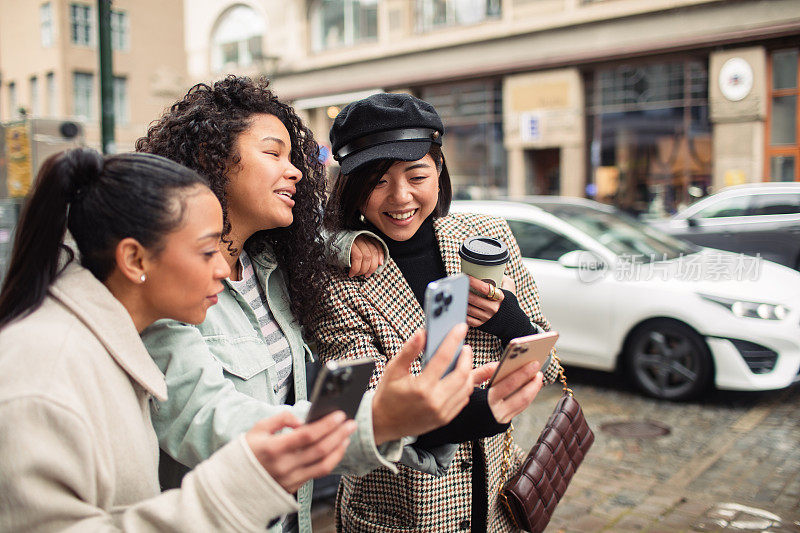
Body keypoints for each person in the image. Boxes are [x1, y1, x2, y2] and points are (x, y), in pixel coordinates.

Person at [135, 76, 491, 532]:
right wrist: (377, 419)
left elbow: (316, 246)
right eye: (273, 153)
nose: (296, 171)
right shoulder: (171, 289)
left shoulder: (275, 269)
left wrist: (347, 241)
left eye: (293, 157)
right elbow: (208, 421)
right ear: (211, 158)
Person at [0, 148, 356, 532]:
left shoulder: (110, 339)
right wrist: (240, 485)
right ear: (135, 260)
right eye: (207, 251)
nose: (223, 269)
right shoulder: (44, 375)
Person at [316, 92, 560, 532]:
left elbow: (547, 356)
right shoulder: (335, 277)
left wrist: (508, 319)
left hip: (496, 503)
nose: (400, 196)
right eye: (377, 181)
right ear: (351, 186)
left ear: (440, 169)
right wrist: (485, 410)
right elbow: (365, 412)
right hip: (401, 513)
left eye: (416, 175)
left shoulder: (487, 237)